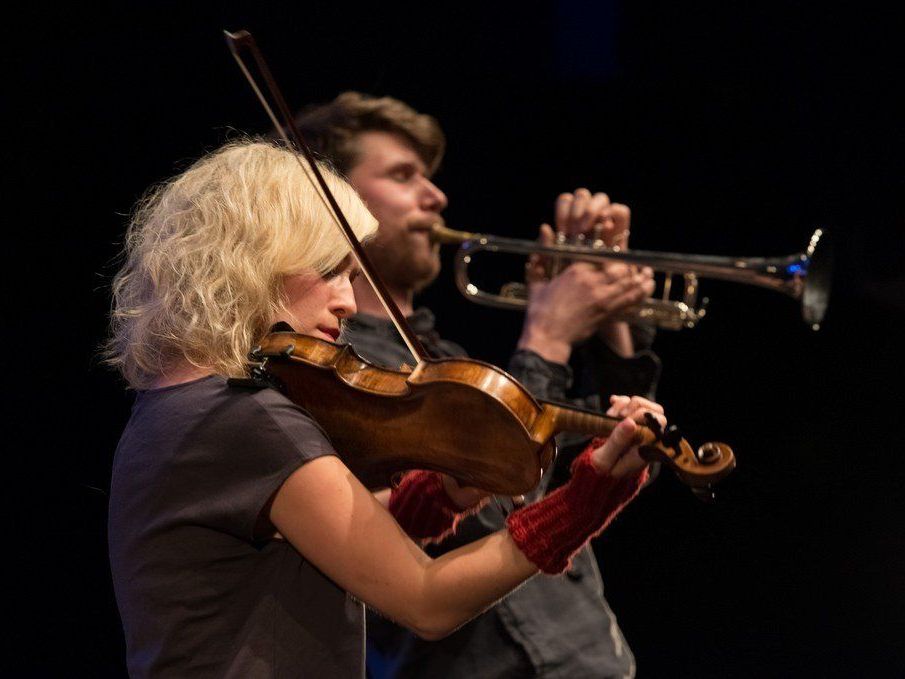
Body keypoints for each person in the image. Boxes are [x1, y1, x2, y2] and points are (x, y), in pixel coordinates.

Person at [104, 140, 666, 678]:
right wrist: (588, 498)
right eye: (328, 269)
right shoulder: (241, 418)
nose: (347, 301)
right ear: (253, 259)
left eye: (352, 275)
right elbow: (426, 601)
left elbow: (340, 539)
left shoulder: (178, 410)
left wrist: (441, 493)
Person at [294, 93, 661, 677]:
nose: (436, 196)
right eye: (403, 175)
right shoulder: (331, 374)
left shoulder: (449, 360)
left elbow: (590, 477)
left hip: (590, 659)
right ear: (332, 199)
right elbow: (477, 491)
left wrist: (610, 311)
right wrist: (548, 333)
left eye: (430, 177)